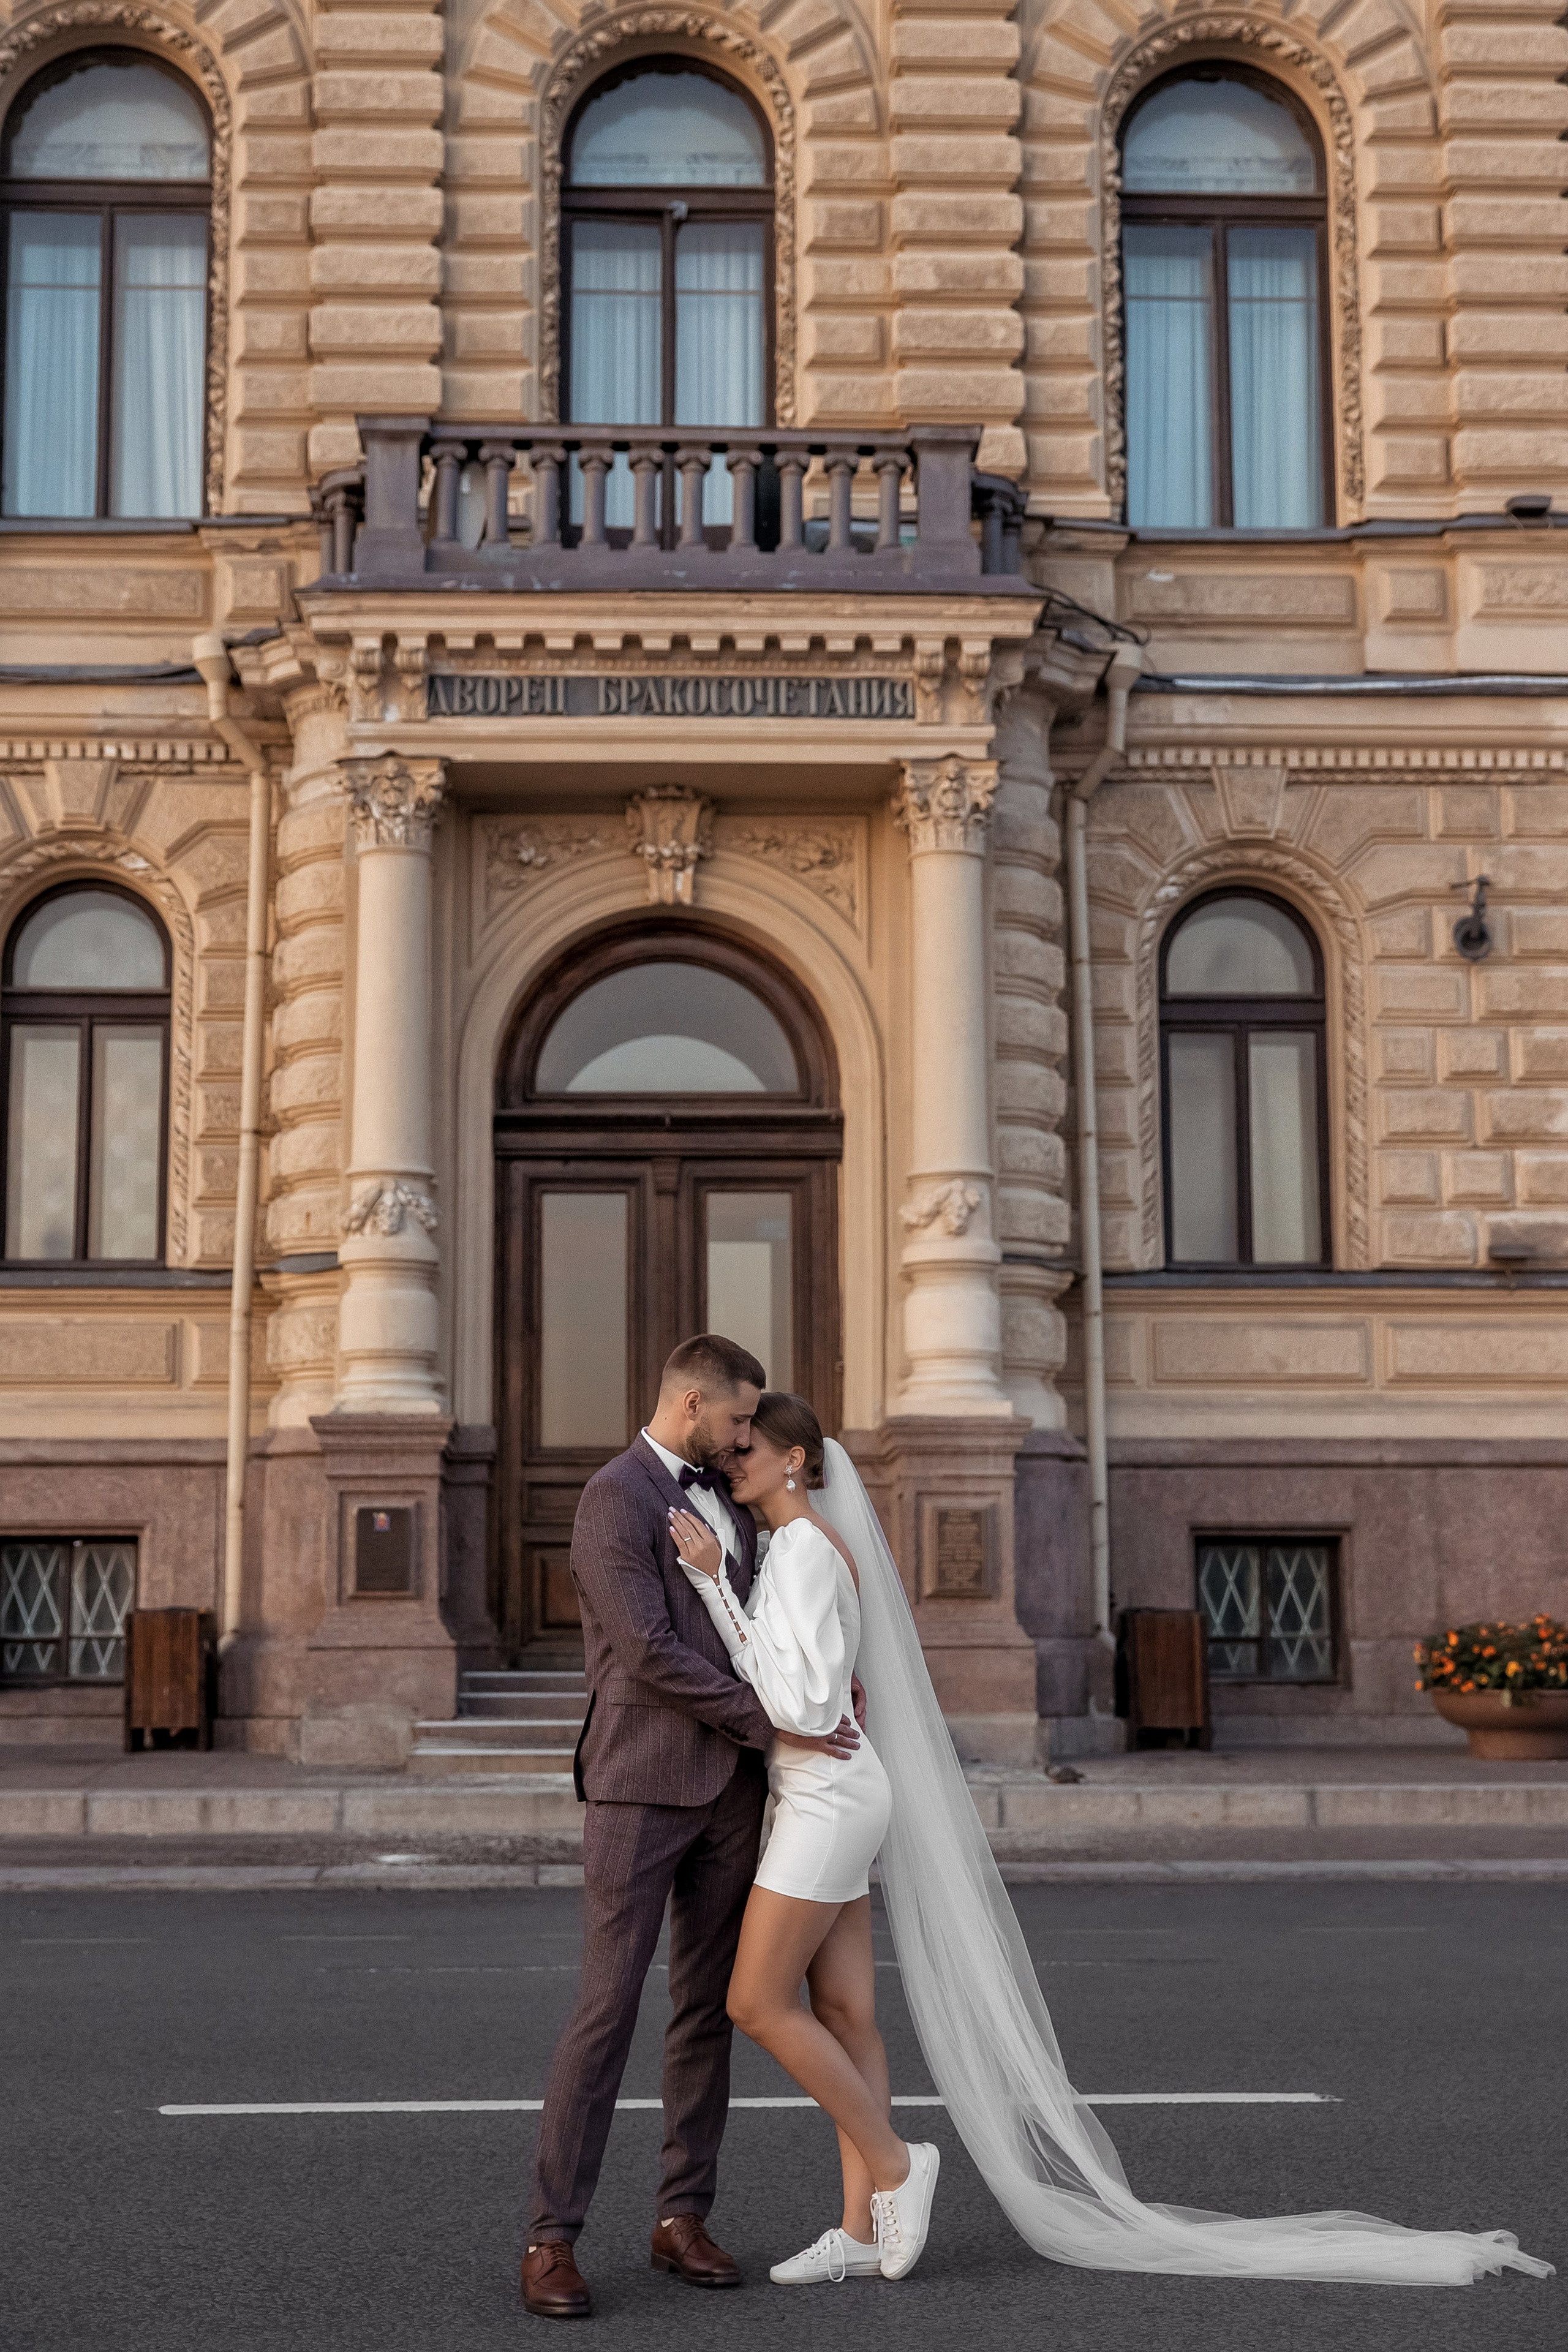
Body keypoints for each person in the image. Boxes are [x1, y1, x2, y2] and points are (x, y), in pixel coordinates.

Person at [681, 1392, 1554, 2295]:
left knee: (754, 2002)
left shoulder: (808, 1553)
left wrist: (711, 1585)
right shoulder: (795, 1549)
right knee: (847, 2014)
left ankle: (897, 2165)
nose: (730, 1457)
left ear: (796, 1459)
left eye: (748, 1445)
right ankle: (860, 2228)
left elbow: (804, 1706)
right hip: (828, 1791)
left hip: (826, 1797)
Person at [522, 1335, 864, 2322]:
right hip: (639, 1785)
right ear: (689, 1405)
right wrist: (780, 1725)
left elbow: (772, 1622)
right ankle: (552, 2237)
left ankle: (682, 2218)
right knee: (606, 2011)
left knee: (706, 2013)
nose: (749, 1434)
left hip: (733, 1795)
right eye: (740, 1417)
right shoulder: (613, 1497)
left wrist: (837, 1689)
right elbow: (649, 1652)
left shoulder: (739, 1496)